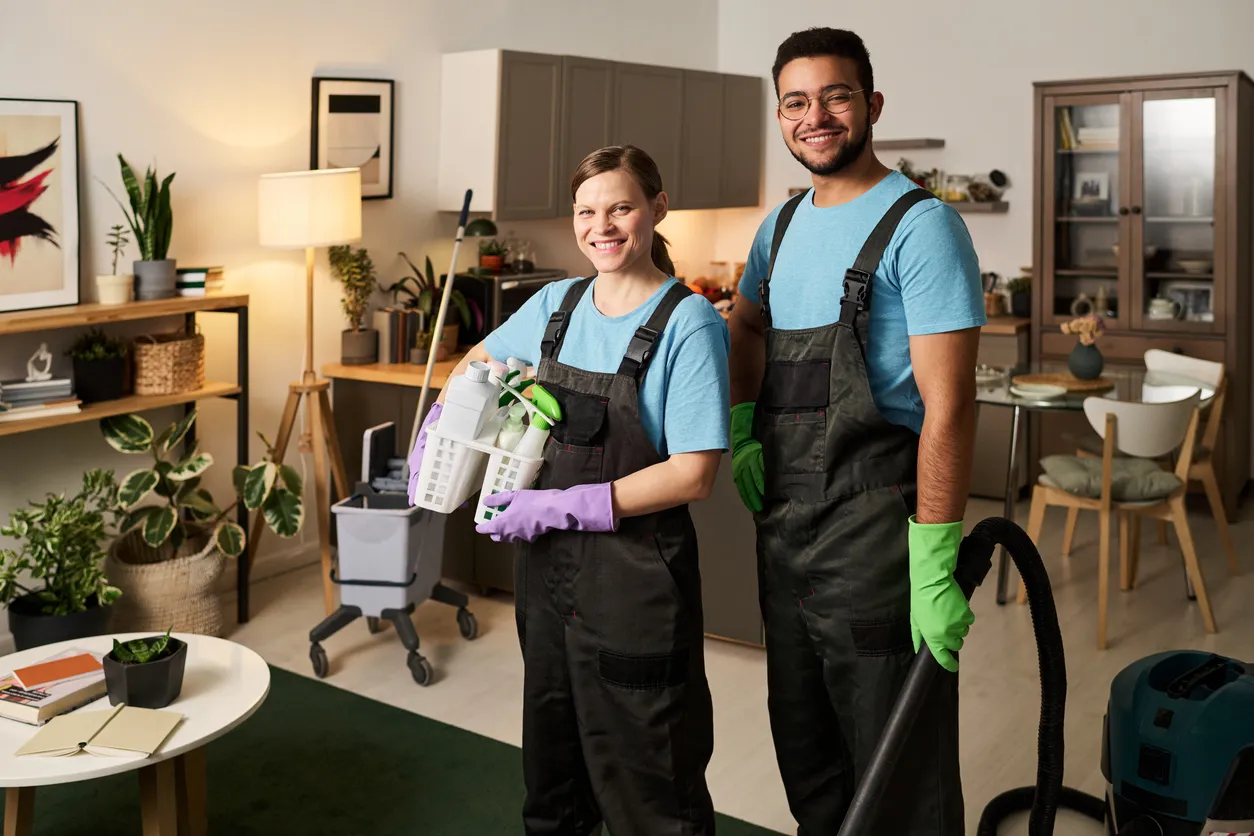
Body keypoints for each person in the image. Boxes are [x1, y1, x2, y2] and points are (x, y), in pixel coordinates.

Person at [408, 144, 730, 835]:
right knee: (553, 775)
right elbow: (477, 362)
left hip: (637, 586)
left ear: (657, 208)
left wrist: (561, 504)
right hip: (550, 583)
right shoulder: (557, 303)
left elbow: (695, 473)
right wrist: (447, 433)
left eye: (621, 207)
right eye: (587, 211)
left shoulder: (688, 323)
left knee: (650, 786)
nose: (602, 226)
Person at [726, 27, 985, 834]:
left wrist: (937, 557)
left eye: (835, 96)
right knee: (806, 745)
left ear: (870, 105)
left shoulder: (921, 226)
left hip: (877, 527)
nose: (816, 116)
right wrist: (740, 423)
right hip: (786, 531)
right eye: (796, 102)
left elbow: (950, 408)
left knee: (894, 759)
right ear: (780, 116)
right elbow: (746, 323)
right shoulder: (782, 225)